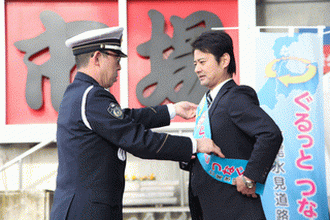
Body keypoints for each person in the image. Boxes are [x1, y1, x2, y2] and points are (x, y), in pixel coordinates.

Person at [49, 26, 223, 220]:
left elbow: (123, 119)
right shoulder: (92, 97)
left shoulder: (79, 93)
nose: (119, 67)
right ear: (97, 58)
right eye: (116, 60)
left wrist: (172, 110)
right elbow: (137, 139)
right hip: (86, 212)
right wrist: (194, 144)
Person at [180, 30, 283, 219]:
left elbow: (270, 134)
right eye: (195, 64)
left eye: (203, 62)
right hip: (211, 207)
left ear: (224, 60)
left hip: (234, 208)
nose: (197, 69)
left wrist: (250, 178)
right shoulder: (208, 103)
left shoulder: (235, 97)